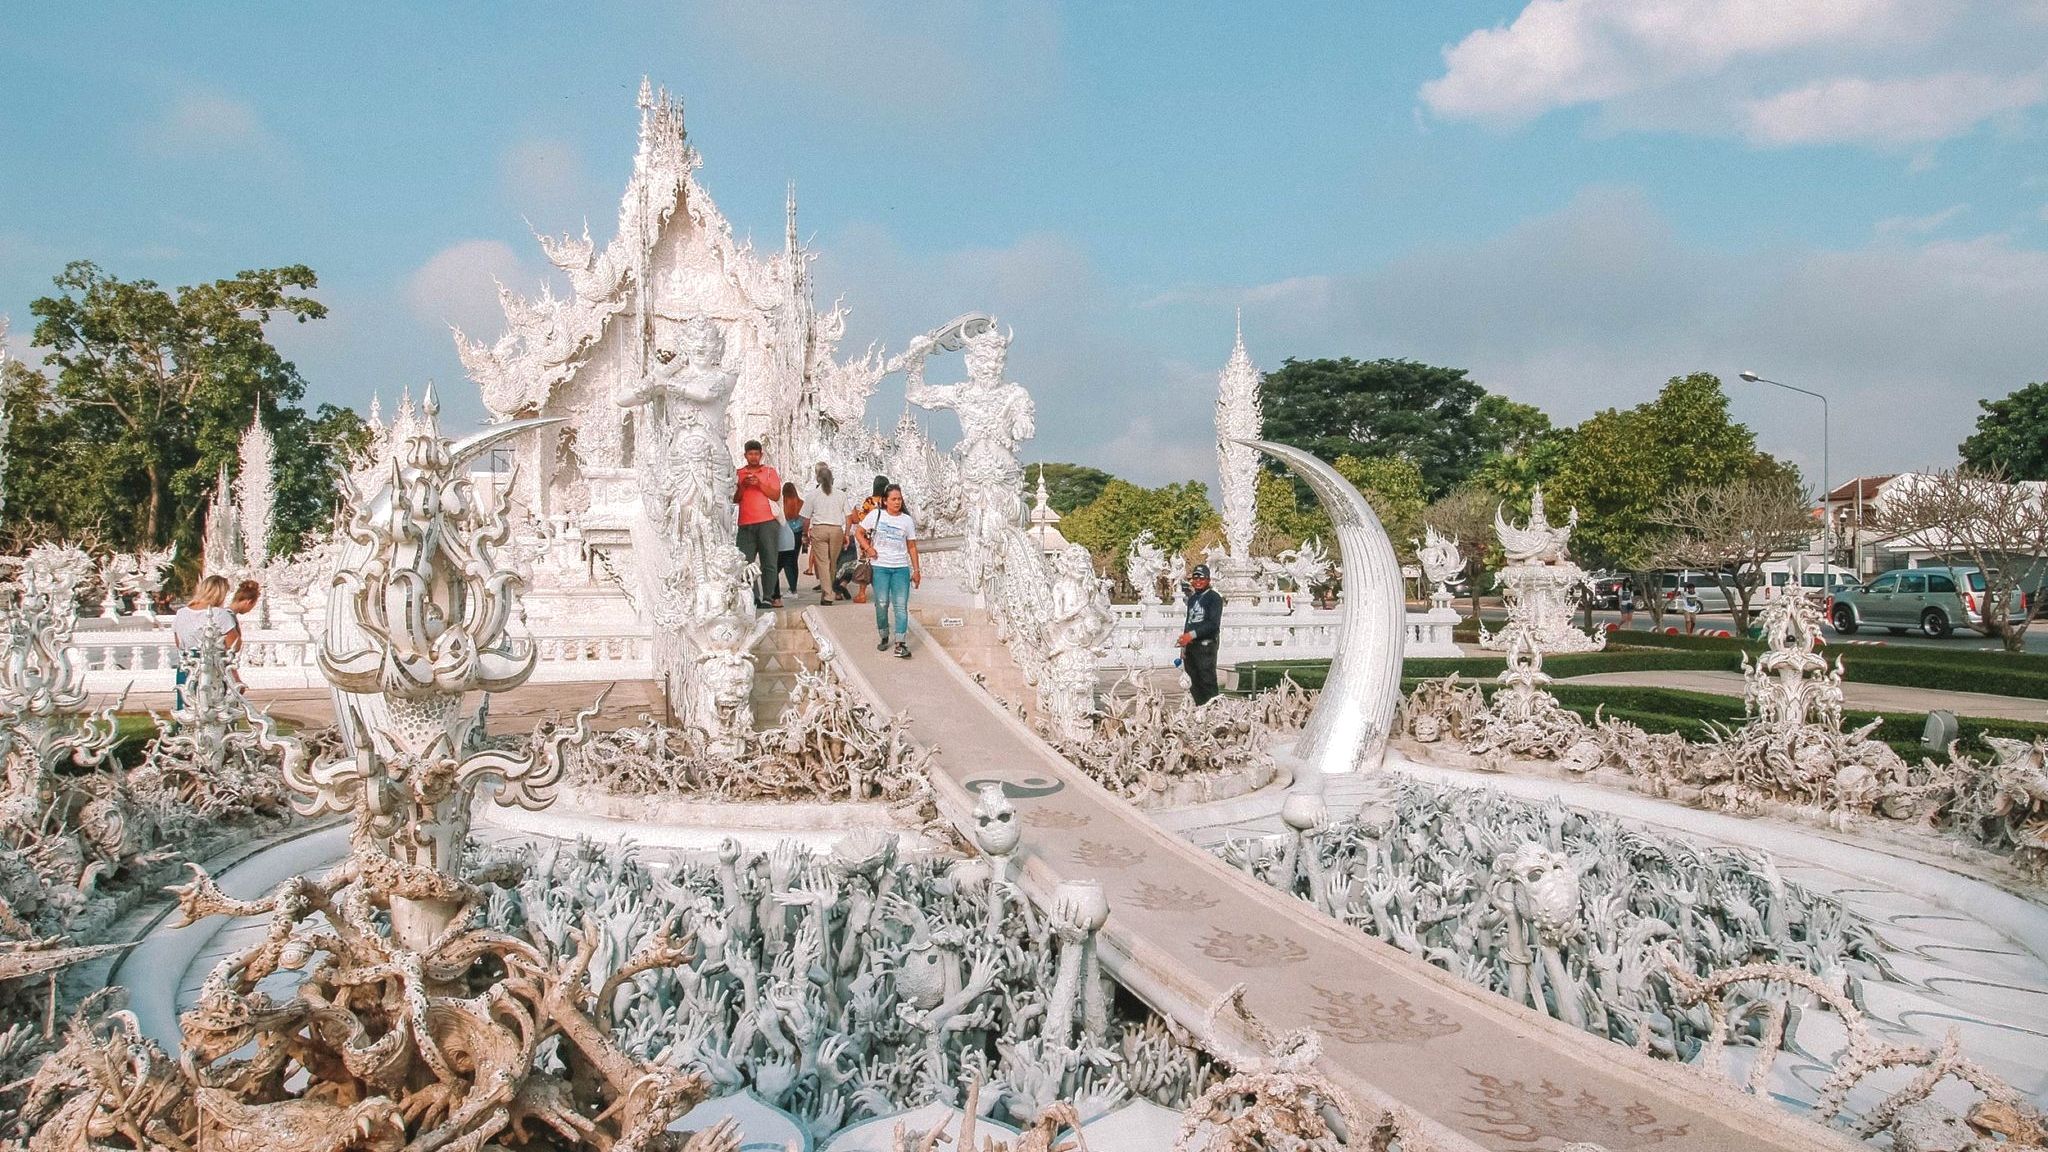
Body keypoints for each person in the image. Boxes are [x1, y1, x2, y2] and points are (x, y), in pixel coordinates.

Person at [854, 483, 920, 658]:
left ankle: (900, 643)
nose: (897, 502)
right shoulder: (876, 515)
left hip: (900, 568)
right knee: (882, 603)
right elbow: (859, 532)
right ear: (885, 501)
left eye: (899, 499)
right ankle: (884, 635)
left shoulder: (906, 520)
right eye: (893, 499)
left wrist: (916, 570)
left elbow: (912, 546)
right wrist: (868, 548)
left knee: (901, 605)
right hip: (880, 566)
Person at [173, 575, 242, 706]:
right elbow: (234, 646)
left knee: (187, 707)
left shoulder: (181, 613)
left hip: (187, 665)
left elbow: (179, 643)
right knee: (216, 710)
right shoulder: (220, 614)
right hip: (213, 667)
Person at [733, 440, 783, 608]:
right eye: (750, 454)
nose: (753, 457)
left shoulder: (769, 472)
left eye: (756, 454)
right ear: (745, 455)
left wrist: (759, 484)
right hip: (745, 523)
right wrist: (743, 486)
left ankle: (768, 596)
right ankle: (751, 596)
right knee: (745, 562)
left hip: (767, 522)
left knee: (769, 560)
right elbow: (735, 499)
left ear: (761, 455)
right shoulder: (739, 473)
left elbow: (776, 495)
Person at [1177, 564, 1224, 706]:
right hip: (1191, 646)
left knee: (1207, 681)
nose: (1198, 581)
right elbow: (1189, 621)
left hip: (1206, 646)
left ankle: (1214, 713)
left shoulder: (1214, 598)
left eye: (1201, 578)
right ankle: (1200, 712)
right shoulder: (1192, 599)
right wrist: (1184, 644)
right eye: (1195, 578)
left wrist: (1191, 635)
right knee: (1193, 683)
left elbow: (1213, 624)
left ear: (1208, 580)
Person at [803, 463, 849, 604]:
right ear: (832, 480)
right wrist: (846, 534)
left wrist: (805, 534)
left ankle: (827, 594)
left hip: (819, 529)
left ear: (818, 480)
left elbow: (806, 518)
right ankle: (829, 591)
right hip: (836, 530)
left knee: (822, 562)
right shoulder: (840, 495)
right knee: (832, 562)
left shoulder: (812, 495)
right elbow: (848, 516)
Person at [845, 475, 890, 605]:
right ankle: (882, 593)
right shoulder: (888, 501)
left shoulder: (869, 501)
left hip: (868, 539)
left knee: (866, 565)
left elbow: (861, 518)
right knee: (882, 565)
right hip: (883, 538)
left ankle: (862, 594)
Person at [777, 481, 807, 598]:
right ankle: (793, 588)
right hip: (798, 535)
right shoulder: (801, 503)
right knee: (793, 561)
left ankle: (790, 590)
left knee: (785, 562)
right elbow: (805, 520)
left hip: (787, 536)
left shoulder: (783, 505)